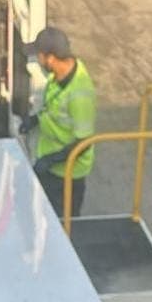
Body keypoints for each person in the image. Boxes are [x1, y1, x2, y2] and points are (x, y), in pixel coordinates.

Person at [20, 27, 97, 217]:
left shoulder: (80, 95)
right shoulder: (59, 76)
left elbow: (84, 144)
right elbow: (53, 107)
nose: (37, 60)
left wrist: (50, 161)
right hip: (52, 165)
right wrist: (35, 120)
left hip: (67, 174)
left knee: (63, 224)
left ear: (51, 58)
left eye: (38, 55)